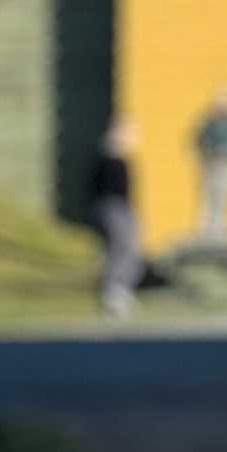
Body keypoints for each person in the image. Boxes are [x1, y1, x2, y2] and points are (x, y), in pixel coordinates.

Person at [89, 119, 141, 319]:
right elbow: (102, 189)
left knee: (128, 249)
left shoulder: (122, 159)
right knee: (119, 249)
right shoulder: (109, 159)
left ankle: (121, 291)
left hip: (122, 208)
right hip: (112, 208)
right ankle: (113, 292)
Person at [189, 88, 227, 244]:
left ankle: (222, 228)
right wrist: (209, 153)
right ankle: (207, 231)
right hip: (211, 164)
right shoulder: (209, 123)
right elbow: (199, 141)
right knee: (210, 197)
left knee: (225, 196)